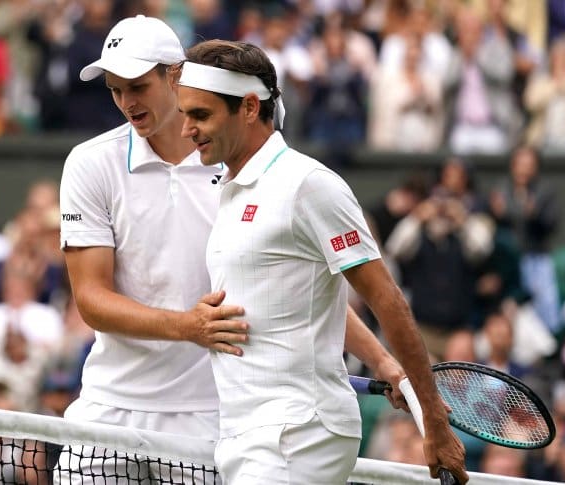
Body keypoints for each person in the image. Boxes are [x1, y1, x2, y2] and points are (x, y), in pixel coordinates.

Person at [59, 15, 409, 484]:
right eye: (115, 89)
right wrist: (188, 327)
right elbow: (91, 301)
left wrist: (383, 360)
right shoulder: (88, 164)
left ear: (176, 75)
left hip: (210, 417)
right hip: (107, 409)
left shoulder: (238, 167)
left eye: (138, 86)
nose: (126, 102)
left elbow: (300, 287)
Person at [175, 39, 468, 484]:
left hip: (297, 433)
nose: (186, 130)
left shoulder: (308, 185)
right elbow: (309, 293)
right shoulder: (228, 188)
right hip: (245, 432)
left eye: (200, 115)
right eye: (185, 115)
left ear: (249, 108)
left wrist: (435, 421)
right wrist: (383, 363)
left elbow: (388, 299)